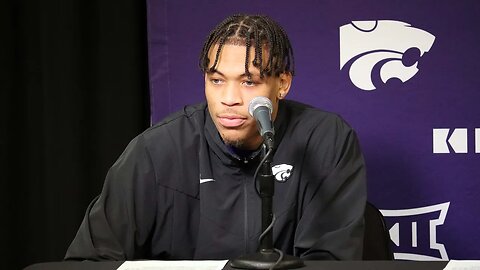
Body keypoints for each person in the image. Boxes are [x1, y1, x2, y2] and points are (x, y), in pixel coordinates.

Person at [65, 14, 367, 261]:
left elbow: (332, 261)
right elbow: (90, 260)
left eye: (249, 82)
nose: (229, 98)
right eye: (217, 80)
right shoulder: (156, 150)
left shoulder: (327, 140)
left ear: (282, 84)